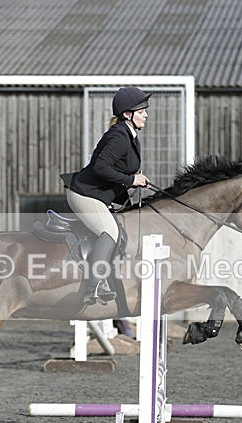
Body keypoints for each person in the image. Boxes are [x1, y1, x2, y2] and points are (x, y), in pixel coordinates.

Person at [64, 87, 151, 305]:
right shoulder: (120, 135)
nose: (146, 115)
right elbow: (101, 167)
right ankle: (92, 287)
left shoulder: (130, 136)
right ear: (127, 114)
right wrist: (131, 180)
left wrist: (133, 180)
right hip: (84, 194)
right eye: (141, 111)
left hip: (97, 196)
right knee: (110, 232)